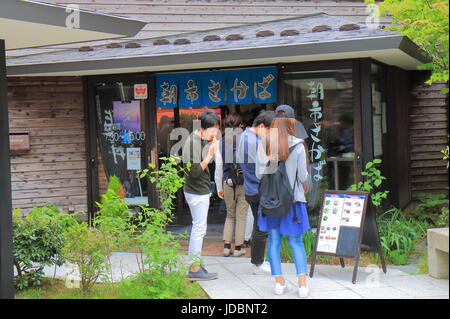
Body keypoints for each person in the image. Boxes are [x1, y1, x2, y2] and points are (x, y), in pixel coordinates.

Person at [256, 114, 310, 298]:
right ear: (291, 122)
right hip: (293, 201)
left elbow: (258, 174)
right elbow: (303, 176)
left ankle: (279, 284)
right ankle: (302, 286)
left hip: (270, 201)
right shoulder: (298, 145)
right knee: (296, 242)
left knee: (273, 241)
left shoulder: (265, 143)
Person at [182, 109, 220, 281]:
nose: (216, 133)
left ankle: (195, 264)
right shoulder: (192, 142)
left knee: (199, 229)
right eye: (214, 130)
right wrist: (211, 153)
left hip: (197, 190)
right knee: (199, 229)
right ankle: (195, 268)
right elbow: (196, 171)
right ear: (204, 128)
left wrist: (210, 147)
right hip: (197, 191)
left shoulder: (199, 140)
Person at [237, 110, 276, 275]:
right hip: (258, 188)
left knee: (259, 225)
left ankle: (258, 262)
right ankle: (258, 264)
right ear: (261, 126)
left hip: (251, 188)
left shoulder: (245, 136)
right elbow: (261, 168)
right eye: (268, 131)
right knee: (261, 227)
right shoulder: (251, 141)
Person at [214, 113, 249, 257]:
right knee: (241, 216)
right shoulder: (245, 141)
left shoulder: (221, 142)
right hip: (244, 183)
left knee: (230, 215)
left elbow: (218, 167)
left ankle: (226, 247)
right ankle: (239, 248)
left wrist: (219, 187)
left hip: (227, 182)